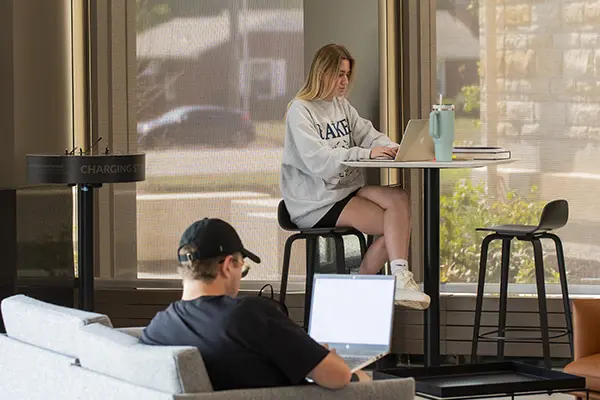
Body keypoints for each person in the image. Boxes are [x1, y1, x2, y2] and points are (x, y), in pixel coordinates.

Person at [280, 43, 430, 310]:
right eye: (339, 74)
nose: (344, 81)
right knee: (394, 223)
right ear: (322, 73)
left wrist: (395, 148)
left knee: (399, 200)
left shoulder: (341, 106)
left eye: (347, 74)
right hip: (316, 199)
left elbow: (368, 135)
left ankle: (393, 279)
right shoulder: (300, 110)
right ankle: (373, 282)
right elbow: (318, 161)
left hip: (344, 189)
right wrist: (368, 154)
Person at [140, 218, 370, 391]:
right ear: (228, 265)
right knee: (375, 382)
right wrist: (323, 356)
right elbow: (337, 376)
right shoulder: (248, 315)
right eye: (242, 267)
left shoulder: (158, 328)